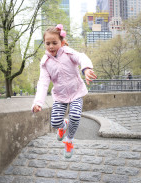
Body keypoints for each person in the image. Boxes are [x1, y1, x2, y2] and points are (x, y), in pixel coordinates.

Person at [31, 24, 97, 158]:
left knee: (75, 115)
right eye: (47, 43)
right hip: (60, 96)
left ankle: (69, 140)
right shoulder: (45, 62)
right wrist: (38, 102)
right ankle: (63, 125)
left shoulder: (68, 52)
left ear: (61, 42)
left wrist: (86, 69)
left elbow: (81, 57)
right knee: (55, 122)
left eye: (54, 43)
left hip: (76, 92)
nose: (51, 46)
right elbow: (43, 83)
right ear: (44, 43)